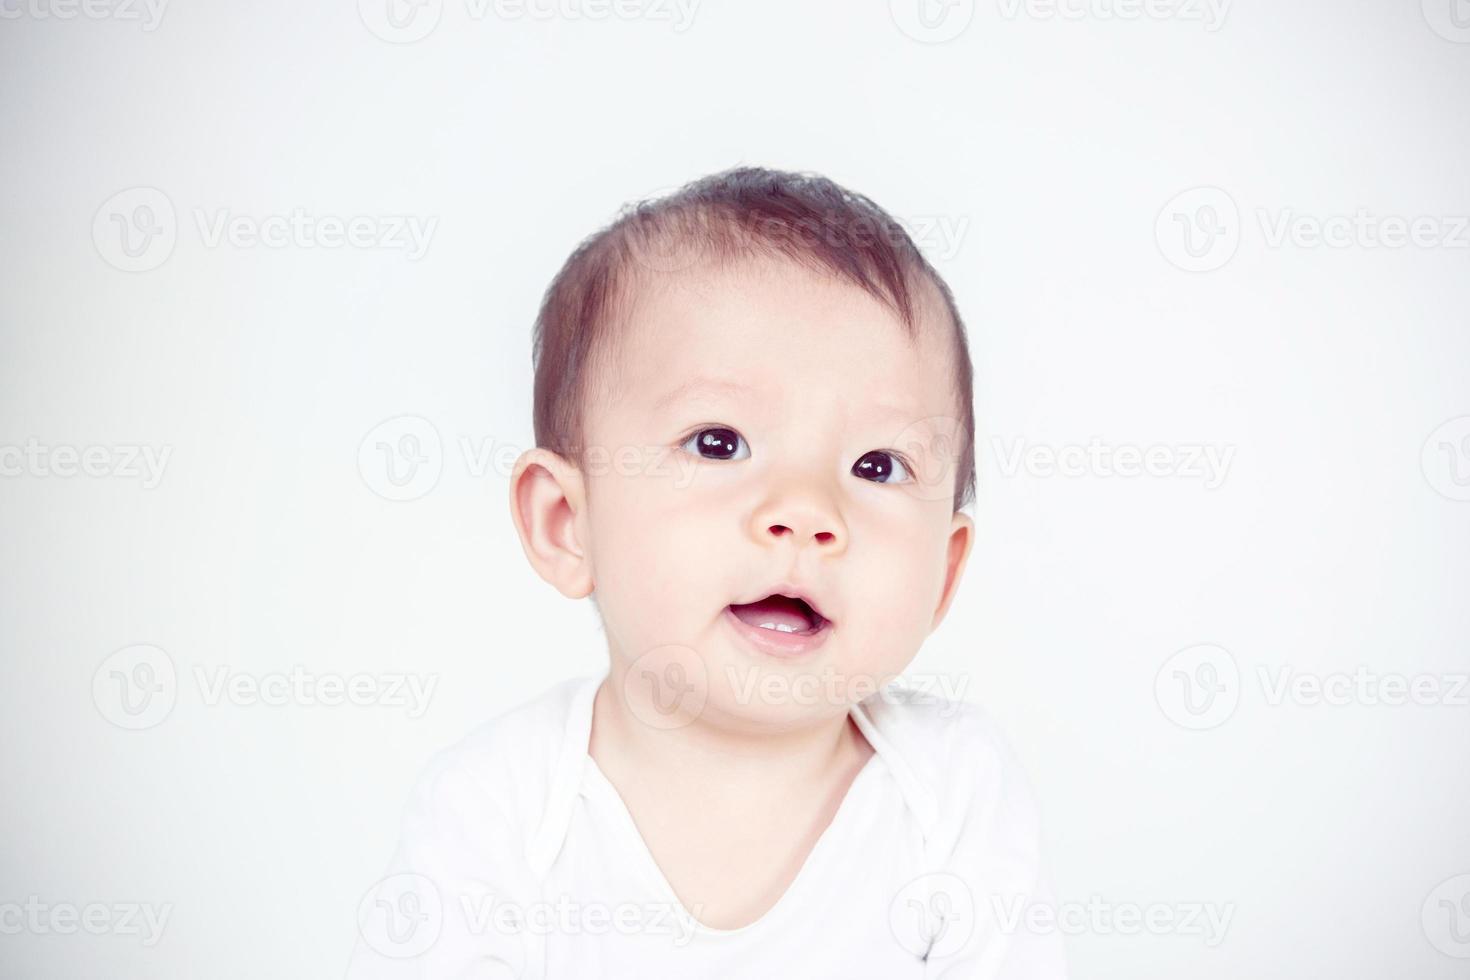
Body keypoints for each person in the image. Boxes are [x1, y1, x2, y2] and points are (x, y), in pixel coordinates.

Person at [347, 166, 1067, 978]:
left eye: (876, 465)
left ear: (943, 572)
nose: (805, 511)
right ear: (566, 523)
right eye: (718, 442)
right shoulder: (497, 814)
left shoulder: (952, 794)